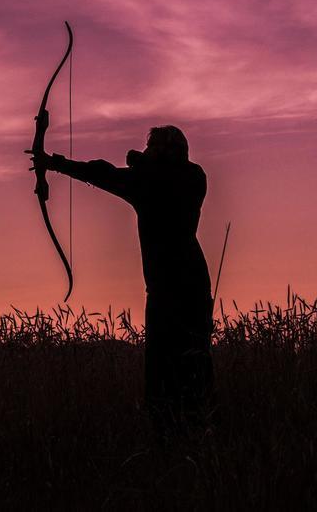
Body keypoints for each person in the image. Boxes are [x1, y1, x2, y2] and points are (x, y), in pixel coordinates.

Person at [30, 125, 214, 431]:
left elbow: (126, 176)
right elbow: (104, 172)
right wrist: (54, 162)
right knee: (183, 365)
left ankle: (178, 431)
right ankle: (183, 431)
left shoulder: (179, 179)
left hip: (173, 292)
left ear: (166, 152)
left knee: (175, 366)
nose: (147, 152)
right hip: (187, 287)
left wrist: (54, 163)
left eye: (152, 147)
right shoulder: (186, 177)